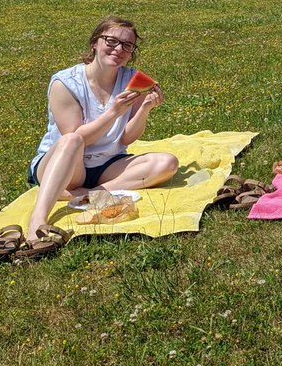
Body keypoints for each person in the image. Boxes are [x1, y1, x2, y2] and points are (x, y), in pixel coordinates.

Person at [17, 17, 178, 257]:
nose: (118, 49)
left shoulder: (131, 80)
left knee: (167, 163)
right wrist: (113, 112)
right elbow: (78, 138)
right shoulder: (65, 83)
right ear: (95, 42)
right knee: (72, 140)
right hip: (66, 164)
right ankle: (37, 222)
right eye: (111, 41)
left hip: (106, 164)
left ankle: (84, 195)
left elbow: (125, 139)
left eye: (127, 45)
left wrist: (145, 108)